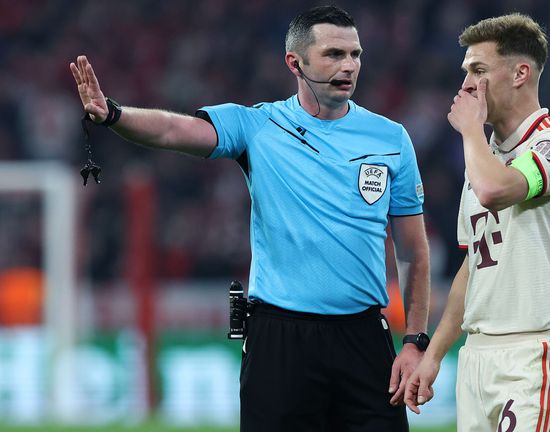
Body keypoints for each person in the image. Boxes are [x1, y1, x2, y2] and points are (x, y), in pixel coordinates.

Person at [70, 5, 430, 431]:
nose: (349, 65)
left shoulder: (391, 138)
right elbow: (172, 129)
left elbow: (412, 250)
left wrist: (414, 341)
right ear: (295, 63)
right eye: (334, 54)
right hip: (279, 338)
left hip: (363, 337)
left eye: (355, 54)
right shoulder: (258, 126)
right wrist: (114, 114)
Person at [404, 13, 550, 432]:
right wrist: (434, 356)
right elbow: (473, 269)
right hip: (477, 356)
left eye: (479, 70)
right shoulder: (484, 158)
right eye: (466, 72)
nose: (466, 85)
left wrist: (470, 131)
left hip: (533, 351)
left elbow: (495, 190)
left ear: (520, 73)